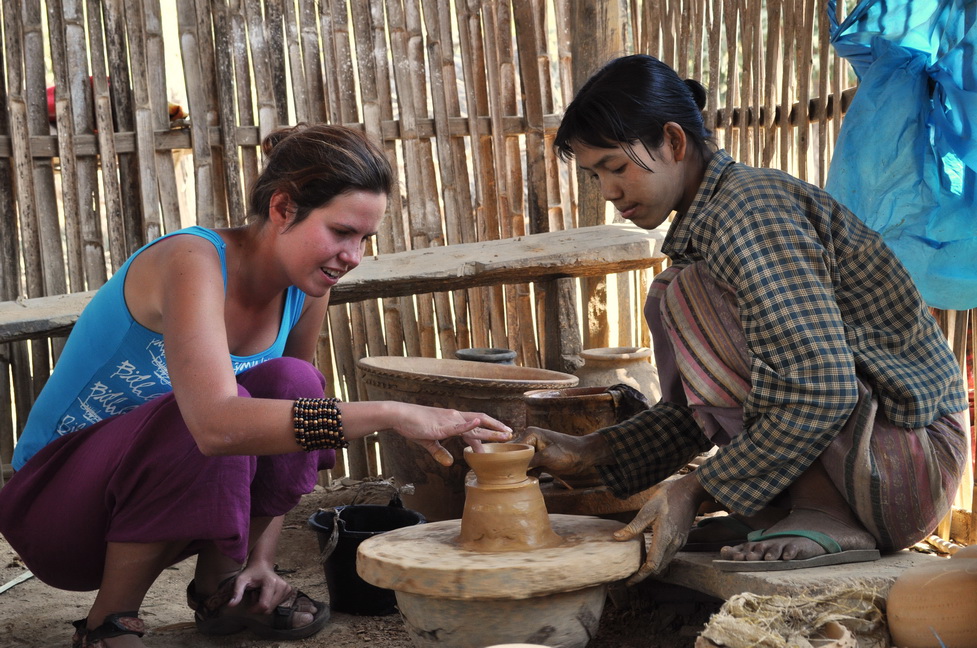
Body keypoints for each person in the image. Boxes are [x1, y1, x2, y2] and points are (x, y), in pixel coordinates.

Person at [0, 123, 513, 647]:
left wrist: (262, 558)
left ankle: (229, 587)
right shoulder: (193, 261)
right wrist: (392, 413)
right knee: (208, 412)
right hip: (57, 512)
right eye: (341, 232)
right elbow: (217, 426)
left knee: (295, 381)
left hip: (156, 505)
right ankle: (108, 624)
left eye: (364, 240)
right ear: (283, 208)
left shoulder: (307, 289)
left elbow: (291, 419)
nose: (353, 256)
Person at [514, 54, 969, 582]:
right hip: (880, 461)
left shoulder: (748, 212)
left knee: (688, 295)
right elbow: (697, 414)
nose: (609, 192)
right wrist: (590, 452)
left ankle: (825, 512)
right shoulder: (713, 225)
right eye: (596, 176)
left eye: (616, 167)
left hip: (910, 465)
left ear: (675, 142)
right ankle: (783, 511)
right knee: (676, 293)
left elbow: (820, 386)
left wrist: (695, 489)